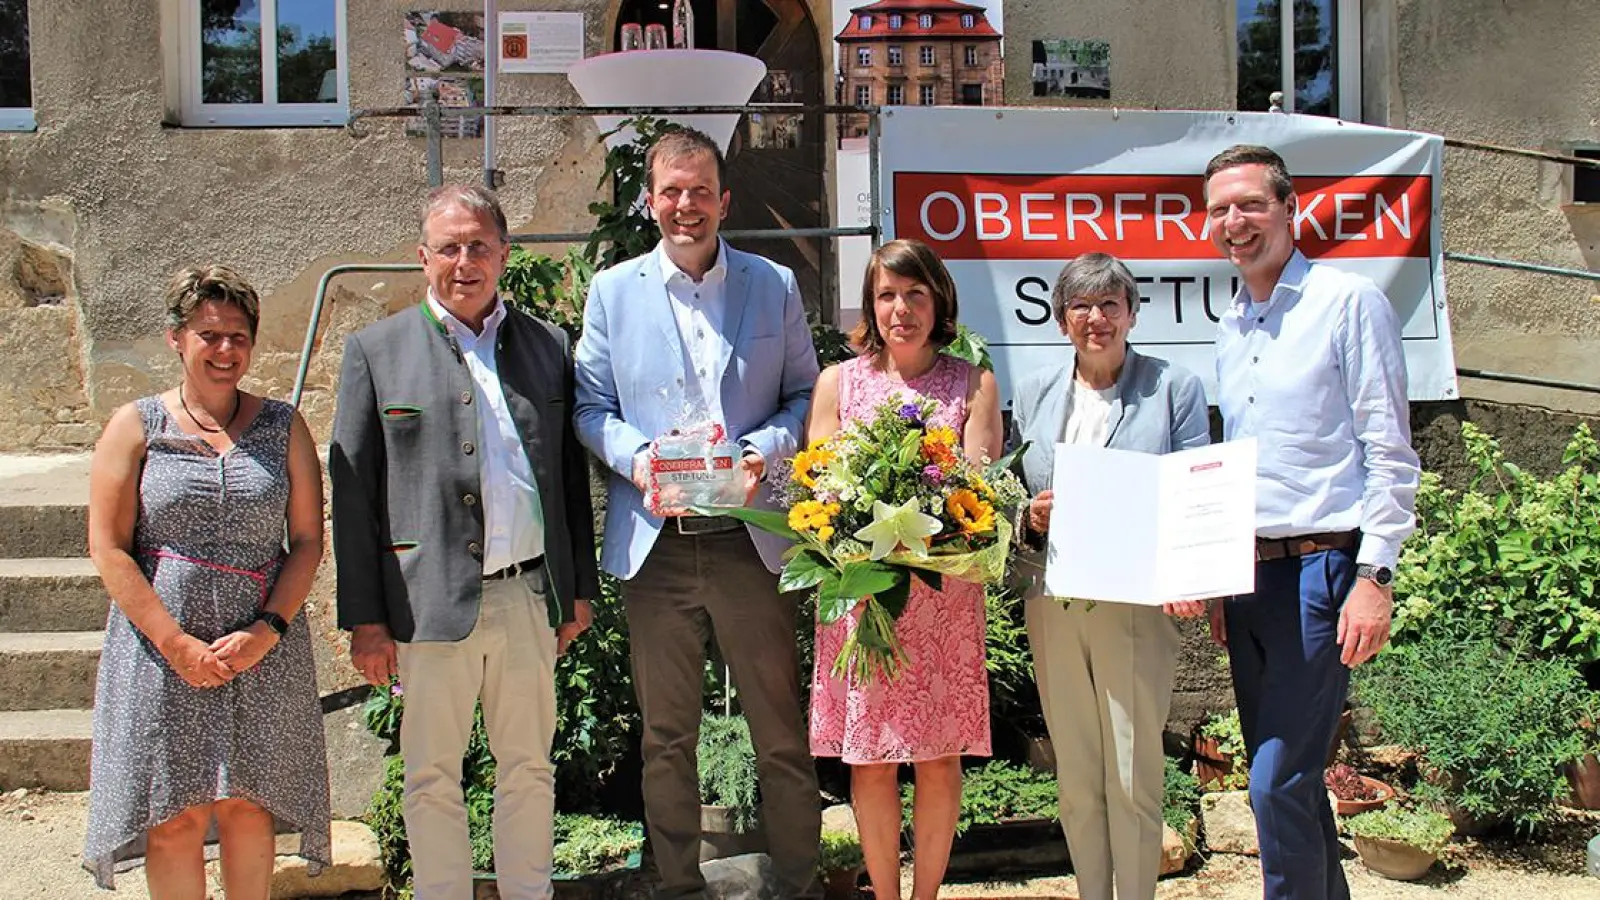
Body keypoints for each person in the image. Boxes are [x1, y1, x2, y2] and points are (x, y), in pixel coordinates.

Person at [329, 185, 600, 900]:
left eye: (478, 245)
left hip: (526, 596)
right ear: (423, 258)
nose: (464, 261)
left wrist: (577, 591)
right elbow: (352, 497)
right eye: (448, 247)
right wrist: (365, 617)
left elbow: (569, 480)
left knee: (529, 768)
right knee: (431, 775)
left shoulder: (546, 346)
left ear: (504, 254)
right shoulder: (375, 352)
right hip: (425, 606)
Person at [573, 126, 822, 899]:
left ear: (725, 200)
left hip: (752, 540)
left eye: (701, 191)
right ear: (650, 201)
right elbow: (589, 406)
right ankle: (679, 888)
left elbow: (807, 395)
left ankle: (798, 885)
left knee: (780, 734)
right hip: (660, 546)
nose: (687, 205)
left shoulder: (773, 283)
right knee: (665, 738)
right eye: (672, 191)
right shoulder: (613, 291)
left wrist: (763, 452)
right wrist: (637, 459)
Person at [1204, 144, 1420, 900]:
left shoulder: (1347, 301)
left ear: (1290, 210)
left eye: (1251, 204)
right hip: (1250, 581)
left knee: (1273, 783)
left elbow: (1391, 452)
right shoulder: (1231, 328)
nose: (1235, 222)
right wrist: (1218, 578)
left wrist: (1375, 576)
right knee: (1290, 786)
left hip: (1322, 576)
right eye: (1222, 208)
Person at [83, 264, 331, 895]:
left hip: (263, 646)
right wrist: (175, 643)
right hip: (161, 646)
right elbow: (109, 548)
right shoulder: (136, 426)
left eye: (239, 336)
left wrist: (267, 629)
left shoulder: (284, 427)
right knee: (175, 811)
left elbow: (306, 541)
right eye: (209, 335)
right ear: (177, 338)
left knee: (249, 805)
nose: (226, 350)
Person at [805, 238, 1004, 900]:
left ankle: (926, 897)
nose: (901, 309)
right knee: (869, 759)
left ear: (939, 301)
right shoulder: (839, 382)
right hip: (866, 600)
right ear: (871, 305)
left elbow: (979, 490)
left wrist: (935, 511)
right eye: (887, 295)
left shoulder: (972, 382)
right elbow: (820, 492)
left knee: (939, 756)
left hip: (941, 597)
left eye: (915, 294)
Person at [1007, 253, 1210, 900]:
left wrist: (1190, 575)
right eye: (1080, 306)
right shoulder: (1037, 388)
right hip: (1054, 599)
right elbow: (1010, 489)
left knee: (1132, 771)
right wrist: (1029, 517)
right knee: (1077, 772)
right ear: (1061, 317)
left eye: (1109, 305)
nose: (1095, 319)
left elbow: (1194, 491)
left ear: (1131, 313)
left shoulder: (1174, 386)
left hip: (1136, 601)